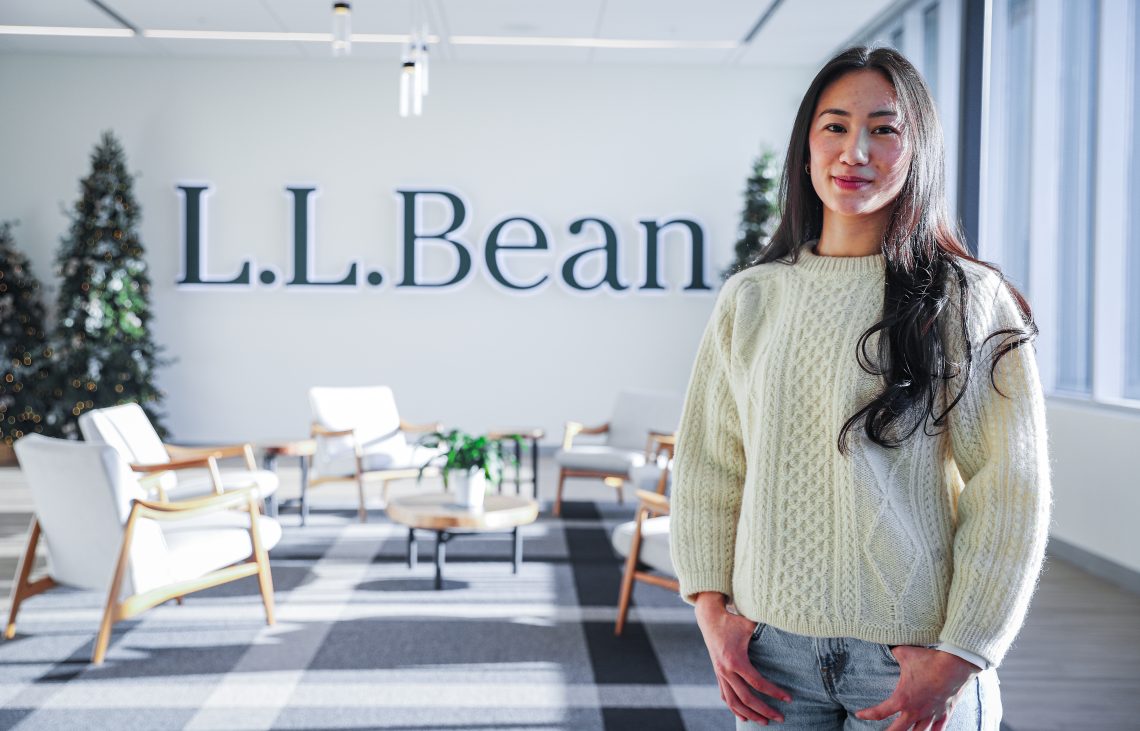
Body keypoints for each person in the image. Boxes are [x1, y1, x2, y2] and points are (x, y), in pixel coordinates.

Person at [669, 45, 1050, 731]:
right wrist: (711, 610)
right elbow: (709, 464)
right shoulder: (753, 298)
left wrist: (961, 653)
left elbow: (1009, 487)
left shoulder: (966, 297)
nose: (856, 152)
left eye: (884, 129)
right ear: (806, 145)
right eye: (835, 126)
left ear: (917, 149)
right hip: (768, 655)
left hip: (914, 651)